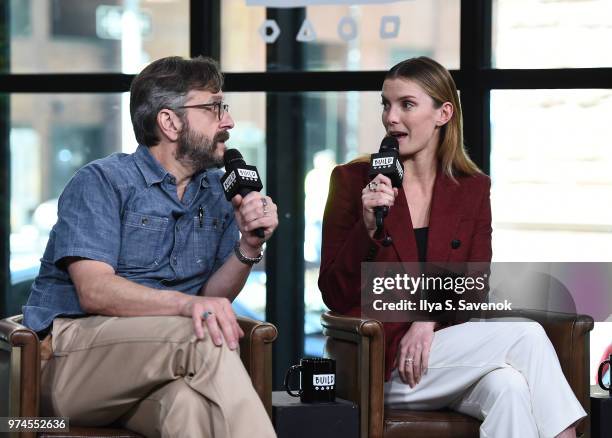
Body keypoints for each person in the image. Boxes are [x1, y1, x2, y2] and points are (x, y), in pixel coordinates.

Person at [318, 56, 585, 438]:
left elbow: (474, 284)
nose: (391, 117)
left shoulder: (472, 188)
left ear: (443, 113)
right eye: (386, 104)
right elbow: (334, 291)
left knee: (508, 389)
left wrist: (426, 319)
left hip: (448, 353)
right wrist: (367, 226)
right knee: (526, 336)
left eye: (406, 104)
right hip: (384, 360)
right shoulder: (350, 181)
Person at [23, 56, 278, 438]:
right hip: (69, 363)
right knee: (203, 332)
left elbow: (211, 294)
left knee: (189, 409)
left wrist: (248, 245)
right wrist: (189, 306)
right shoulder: (103, 181)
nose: (228, 122)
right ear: (169, 122)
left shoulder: (215, 192)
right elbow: (94, 291)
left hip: (159, 363)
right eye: (213, 108)